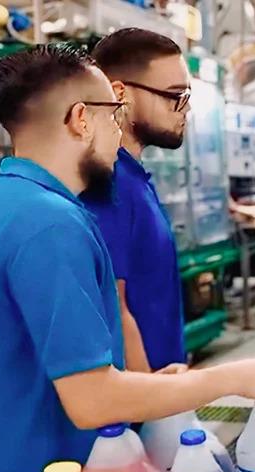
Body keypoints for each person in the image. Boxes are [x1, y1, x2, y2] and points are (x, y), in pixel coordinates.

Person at [0, 44, 255, 472]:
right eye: (113, 113)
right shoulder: (49, 224)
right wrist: (233, 378)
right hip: (36, 470)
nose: (118, 131)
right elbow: (92, 400)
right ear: (81, 119)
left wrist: (156, 385)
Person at [78, 28, 193, 373]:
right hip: (140, 407)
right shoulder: (108, 182)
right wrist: (152, 401)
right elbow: (114, 304)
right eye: (175, 96)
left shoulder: (133, 178)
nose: (184, 109)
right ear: (120, 95)